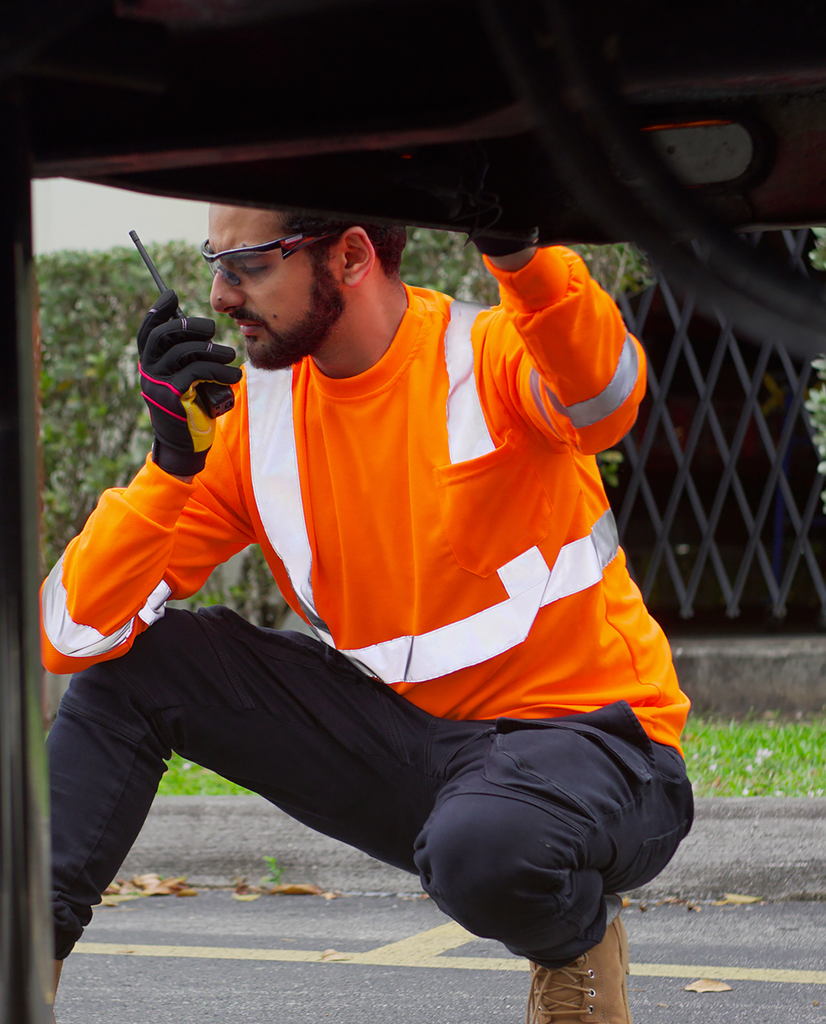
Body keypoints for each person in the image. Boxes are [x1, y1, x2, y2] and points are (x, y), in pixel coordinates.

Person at [39, 205, 693, 1023]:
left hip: (599, 749)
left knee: (483, 849)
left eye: (247, 265)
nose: (219, 293)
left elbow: (604, 402)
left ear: (349, 256)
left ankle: (576, 944)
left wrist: (523, 259)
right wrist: (172, 463)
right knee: (134, 668)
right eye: (216, 263)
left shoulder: (485, 356)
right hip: (420, 755)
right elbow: (74, 632)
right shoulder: (256, 423)